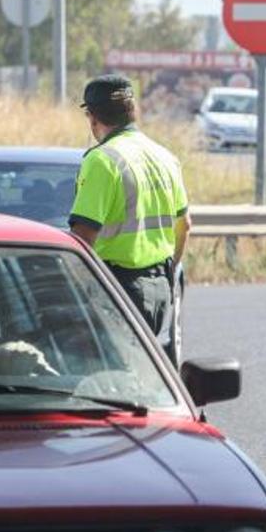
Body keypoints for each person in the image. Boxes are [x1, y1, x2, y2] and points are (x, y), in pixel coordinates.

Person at [68, 74, 190, 362]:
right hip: (158, 286)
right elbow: (184, 226)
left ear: (92, 117)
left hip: (115, 288)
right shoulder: (165, 157)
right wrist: (168, 273)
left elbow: (82, 237)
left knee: (106, 377)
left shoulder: (102, 160)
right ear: (132, 110)